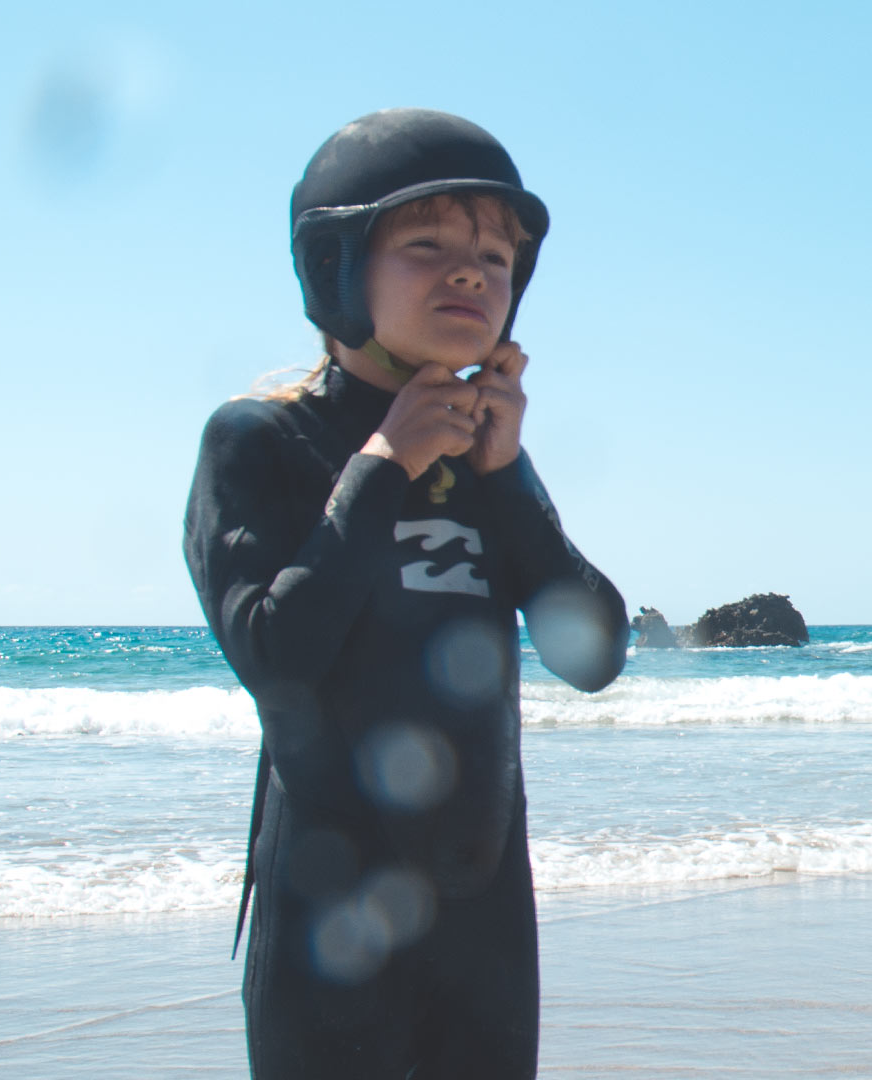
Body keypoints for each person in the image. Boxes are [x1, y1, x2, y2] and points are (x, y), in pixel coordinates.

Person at [184, 108, 629, 1080]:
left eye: (494, 258)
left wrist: (508, 477)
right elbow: (277, 654)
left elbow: (595, 655)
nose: (470, 274)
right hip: (329, 927)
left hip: (485, 929)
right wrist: (384, 464)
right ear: (336, 267)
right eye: (426, 246)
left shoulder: (486, 460)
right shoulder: (261, 441)